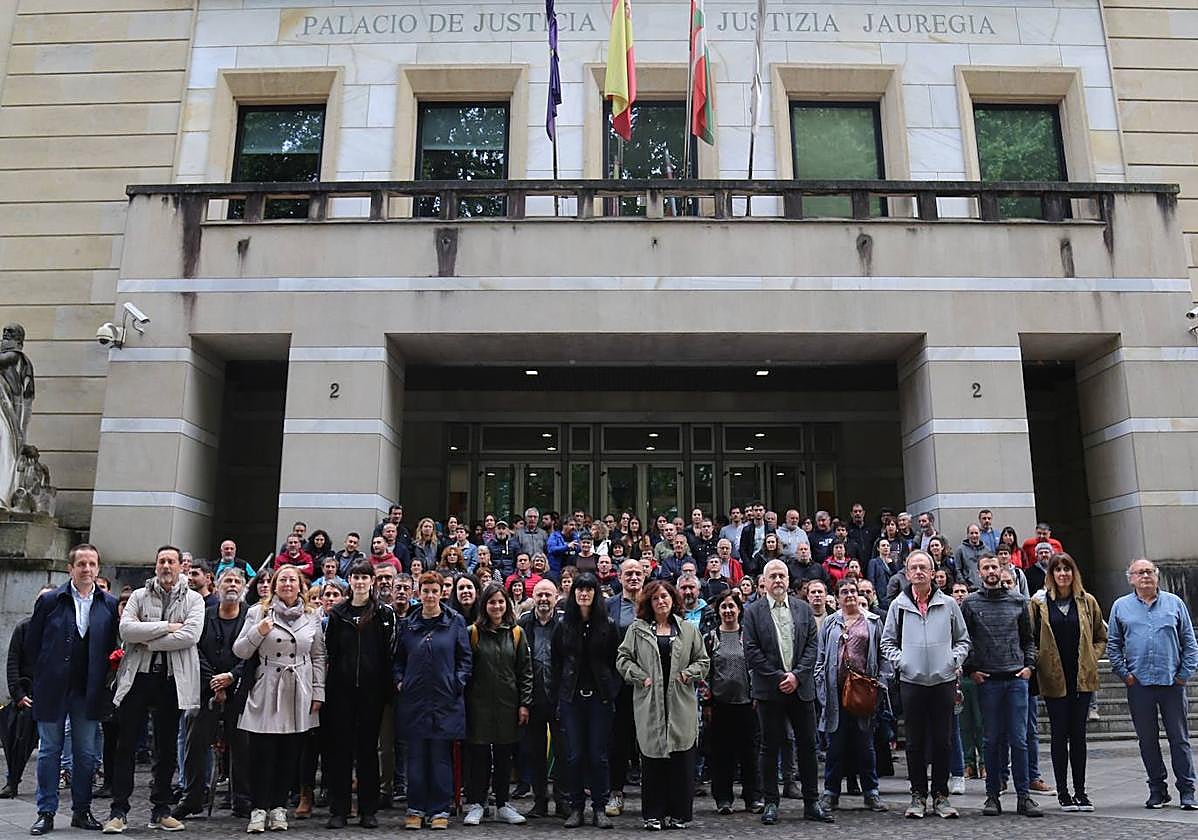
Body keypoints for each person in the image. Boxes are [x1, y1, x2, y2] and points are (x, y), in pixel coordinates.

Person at [106, 545, 204, 834]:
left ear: (181, 566)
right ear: (155, 565)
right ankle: (118, 811)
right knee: (126, 744)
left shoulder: (194, 599)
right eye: (162, 561)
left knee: (166, 747)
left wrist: (148, 640)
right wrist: (167, 627)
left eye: (171, 561)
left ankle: (161, 809)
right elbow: (126, 630)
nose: (166, 566)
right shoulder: (138, 595)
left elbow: (190, 635)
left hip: (171, 680)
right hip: (138, 677)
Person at [25, 547, 119, 835]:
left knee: (86, 753)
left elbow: (112, 645)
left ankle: (82, 810)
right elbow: (32, 644)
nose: (86, 569)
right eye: (81, 564)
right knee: (49, 751)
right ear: (70, 568)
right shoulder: (50, 601)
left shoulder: (108, 603)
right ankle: (46, 811)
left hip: (88, 690)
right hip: (52, 688)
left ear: (98, 568)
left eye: (92, 564)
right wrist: (43, 676)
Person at [232, 564, 326, 833]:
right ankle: (258, 809)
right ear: (274, 585)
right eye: (282, 579)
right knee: (262, 752)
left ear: (300, 586)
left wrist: (318, 691)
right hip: (267, 686)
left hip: (299, 688)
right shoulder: (258, 612)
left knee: (289, 753)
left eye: (292, 580)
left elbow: (318, 656)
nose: (287, 584)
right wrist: (258, 631)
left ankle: (279, 808)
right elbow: (240, 650)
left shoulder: (312, 615)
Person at [880, 550, 970, 821]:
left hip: (943, 681)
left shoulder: (949, 604)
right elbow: (887, 642)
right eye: (914, 568)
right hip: (912, 681)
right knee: (914, 743)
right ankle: (918, 795)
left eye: (923, 567)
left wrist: (952, 660)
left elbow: (963, 640)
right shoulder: (898, 606)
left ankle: (941, 795)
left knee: (943, 741)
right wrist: (903, 662)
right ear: (907, 573)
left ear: (933, 573)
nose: (918, 572)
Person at [742, 560, 832, 825]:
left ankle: (812, 802)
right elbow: (752, 651)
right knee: (770, 747)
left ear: (788, 579)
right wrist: (780, 677)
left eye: (782, 575)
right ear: (764, 581)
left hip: (801, 688)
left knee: (808, 746)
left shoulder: (803, 608)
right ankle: (771, 802)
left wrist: (797, 676)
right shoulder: (753, 612)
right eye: (773, 576)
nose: (778, 580)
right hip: (770, 690)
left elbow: (812, 646)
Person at [615, 580, 709, 830]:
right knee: (653, 759)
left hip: (680, 701)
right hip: (650, 701)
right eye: (655, 598)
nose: (661, 601)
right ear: (649, 602)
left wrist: (688, 674)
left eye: (665, 596)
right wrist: (640, 677)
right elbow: (623, 659)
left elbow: (703, 660)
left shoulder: (687, 629)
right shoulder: (637, 630)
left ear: (673, 599)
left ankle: (679, 814)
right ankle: (653, 814)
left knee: (681, 759)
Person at [1107, 558, 1198, 810]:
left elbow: (1189, 641)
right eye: (1140, 572)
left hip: (1172, 683)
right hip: (1139, 685)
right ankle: (1157, 789)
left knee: (1179, 740)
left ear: (1157, 576)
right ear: (1131, 579)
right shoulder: (1121, 606)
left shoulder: (1174, 603)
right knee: (1147, 741)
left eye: (1149, 571)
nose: (1145, 576)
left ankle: (1187, 791)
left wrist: (1184, 674)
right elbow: (1113, 644)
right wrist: (1125, 674)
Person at [960, 553, 1041, 818]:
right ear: (979, 573)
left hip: (1016, 678)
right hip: (988, 680)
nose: (991, 571)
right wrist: (971, 669)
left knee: (1019, 740)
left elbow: (1028, 639)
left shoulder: (1018, 601)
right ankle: (992, 795)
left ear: (1001, 569)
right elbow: (964, 639)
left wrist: (1029, 666)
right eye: (986, 567)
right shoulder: (970, 603)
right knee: (991, 740)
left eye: (994, 566)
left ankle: (1024, 796)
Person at [1028, 553, 1107, 812]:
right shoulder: (1039, 603)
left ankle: (1081, 791)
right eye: (1058, 569)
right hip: (1054, 678)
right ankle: (1063, 792)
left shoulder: (1087, 601)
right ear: (1051, 574)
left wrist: (1092, 656)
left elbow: (1100, 636)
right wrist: (1039, 659)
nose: (1063, 574)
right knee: (1059, 735)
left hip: (1081, 678)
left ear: (1074, 573)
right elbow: (1029, 637)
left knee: (1079, 735)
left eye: (1067, 569)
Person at [395, 571, 472, 831]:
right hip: (415, 700)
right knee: (416, 758)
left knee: (440, 758)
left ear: (442, 593)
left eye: (434, 591)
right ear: (419, 593)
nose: (429, 596)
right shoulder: (408, 624)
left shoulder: (455, 621)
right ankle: (415, 808)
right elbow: (398, 659)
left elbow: (465, 659)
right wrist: (400, 681)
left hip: (445, 699)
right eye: (425, 591)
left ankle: (440, 809)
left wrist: (457, 682)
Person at [174, 567, 251, 821]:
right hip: (205, 688)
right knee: (195, 743)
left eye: (237, 581)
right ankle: (192, 797)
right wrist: (215, 682)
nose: (232, 585)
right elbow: (194, 648)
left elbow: (253, 652)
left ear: (243, 587)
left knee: (242, 745)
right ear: (217, 585)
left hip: (239, 689)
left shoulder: (250, 616)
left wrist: (231, 677)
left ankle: (242, 799)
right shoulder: (204, 615)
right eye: (227, 580)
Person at [323, 561, 395, 828]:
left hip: (372, 693)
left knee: (367, 751)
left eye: (365, 577)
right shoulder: (337, 614)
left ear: (372, 581)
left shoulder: (383, 613)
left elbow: (389, 654)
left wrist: (386, 691)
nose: (360, 581)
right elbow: (330, 653)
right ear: (349, 580)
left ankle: (368, 810)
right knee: (340, 750)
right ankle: (339, 810)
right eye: (356, 577)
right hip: (340, 692)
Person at [552, 573, 620, 829]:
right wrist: (560, 695)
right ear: (574, 594)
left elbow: (616, 662)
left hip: (600, 699)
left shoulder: (608, 625)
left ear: (595, 593)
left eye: (589, 589)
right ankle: (576, 808)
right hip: (571, 699)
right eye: (580, 589)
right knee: (575, 755)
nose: (584, 593)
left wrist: (611, 691)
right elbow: (557, 663)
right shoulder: (563, 625)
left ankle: (599, 808)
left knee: (598, 755)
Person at [815, 578, 888, 814]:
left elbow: (883, 655)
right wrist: (821, 687)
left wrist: (880, 683)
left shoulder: (873, 622)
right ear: (837, 597)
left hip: (863, 691)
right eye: (844, 591)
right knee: (835, 746)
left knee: (865, 745)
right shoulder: (830, 623)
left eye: (853, 591)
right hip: (835, 692)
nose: (849, 595)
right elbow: (820, 657)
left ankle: (871, 792)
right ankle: (831, 793)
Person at [462, 584, 533, 826]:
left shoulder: (517, 633)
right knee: (479, 756)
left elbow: (525, 671)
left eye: (501, 601)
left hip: (508, 704)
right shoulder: (472, 633)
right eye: (492, 602)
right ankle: (477, 803)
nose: (497, 606)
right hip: (478, 705)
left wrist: (524, 703)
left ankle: (503, 803)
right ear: (484, 605)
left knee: (504, 755)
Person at [702, 589, 761, 815]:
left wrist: (756, 695)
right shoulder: (710, 638)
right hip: (719, 705)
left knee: (749, 753)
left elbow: (756, 668)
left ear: (739, 609)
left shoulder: (749, 637)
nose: (728, 611)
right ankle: (723, 798)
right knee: (721, 754)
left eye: (731, 606)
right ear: (718, 611)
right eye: (724, 607)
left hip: (747, 703)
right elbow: (705, 673)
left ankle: (752, 796)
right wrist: (707, 702)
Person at [518, 579, 565, 818]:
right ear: (533, 597)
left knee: (563, 751)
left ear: (556, 597)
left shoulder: (566, 623)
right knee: (535, 753)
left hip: (559, 698)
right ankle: (540, 801)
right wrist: (523, 702)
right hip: (533, 698)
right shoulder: (522, 624)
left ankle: (562, 800)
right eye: (540, 595)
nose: (544, 599)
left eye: (548, 594)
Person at [603, 558, 644, 817]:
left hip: (648, 684)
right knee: (618, 741)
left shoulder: (654, 602)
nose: (633, 577)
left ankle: (653, 796)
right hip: (618, 685)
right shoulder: (609, 606)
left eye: (638, 573)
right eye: (628, 573)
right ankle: (616, 793)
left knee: (648, 741)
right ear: (619, 577)